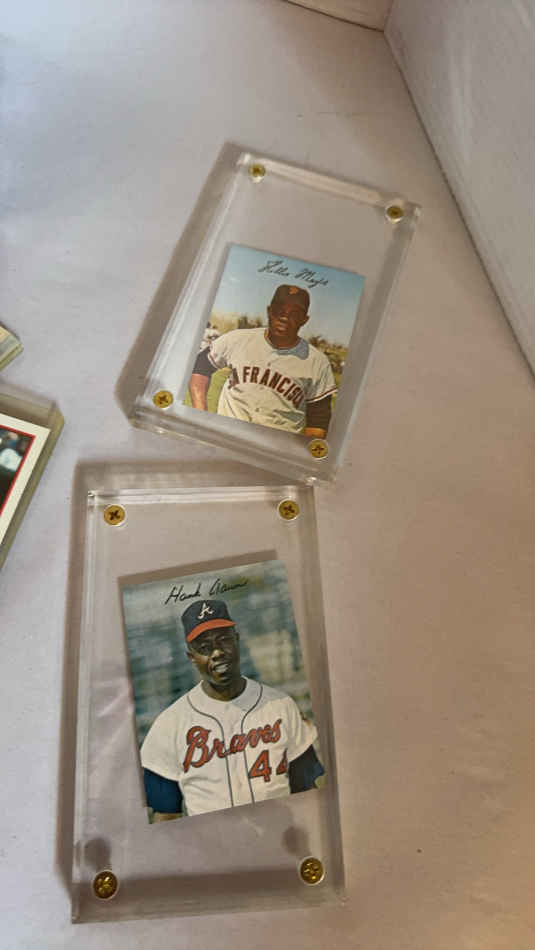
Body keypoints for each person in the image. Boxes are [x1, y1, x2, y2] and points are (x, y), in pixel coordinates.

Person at [141, 599, 324, 819]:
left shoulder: (281, 706)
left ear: (237, 640)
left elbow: (307, 793)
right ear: (191, 657)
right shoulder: (169, 724)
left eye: (223, 640)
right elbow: (165, 817)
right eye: (204, 648)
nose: (217, 652)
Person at [188, 285, 336, 438]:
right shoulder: (238, 339)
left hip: (275, 447)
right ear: (269, 311)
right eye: (279, 310)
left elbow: (318, 421)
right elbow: (200, 366)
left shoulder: (317, 362)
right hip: (226, 436)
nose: (285, 317)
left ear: (304, 320)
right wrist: (200, 414)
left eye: (295, 314)